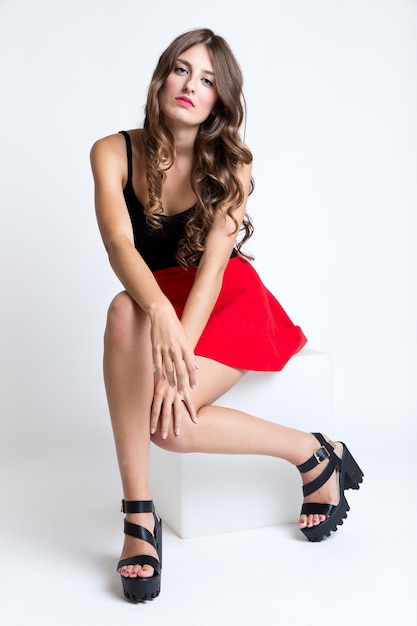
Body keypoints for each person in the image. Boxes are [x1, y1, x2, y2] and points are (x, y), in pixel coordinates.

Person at [90, 28, 363, 603]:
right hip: (157, 294)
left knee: (171, 423)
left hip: (225, 298)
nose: (191, 86)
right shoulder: (114, 151)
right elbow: (119, 246)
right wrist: (159, 314)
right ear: (162, 75)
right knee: (123, 307)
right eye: (182, 70)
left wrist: (175, 361)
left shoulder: (231, 164)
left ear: (220, 100)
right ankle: (138, 516)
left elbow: (213, 271)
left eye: (208, 80)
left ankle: (313, 454)